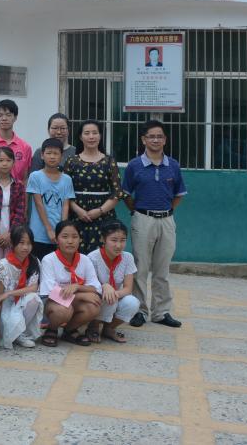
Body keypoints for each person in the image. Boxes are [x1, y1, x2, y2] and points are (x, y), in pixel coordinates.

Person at [122, 120, 187, 329]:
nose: (156, 140)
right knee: (140, 267)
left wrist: (168, 211)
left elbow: (179, 194)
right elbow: (126, 194)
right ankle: (139, 311)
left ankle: (161, 312)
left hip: (167, 220)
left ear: (165, 140)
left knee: (162, 268)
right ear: (144, 139)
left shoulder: (173, 165)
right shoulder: (134, 165)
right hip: (143, 219)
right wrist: (137, 211)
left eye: (160, 136)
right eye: (151, 136)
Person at [65, 119, 125, 254]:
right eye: (87, 133)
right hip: (77, 216)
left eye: (95, 133)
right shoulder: (72, 161)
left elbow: (117, 193)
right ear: (81, 137)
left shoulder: (109, 161)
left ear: (100, 135)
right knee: (76, 254)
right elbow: (65, 191)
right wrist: (78, 211)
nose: (91, 137)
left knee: (103, 255)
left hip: (104, 216)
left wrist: (100, 211)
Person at [38, 220, 102, 347]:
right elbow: (50, 291)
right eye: (65, 237)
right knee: (64, 309)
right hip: (52, 304)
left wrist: (77, 287)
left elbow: (96, 287)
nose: (70, 241)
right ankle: (51, 329)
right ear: (57, 240)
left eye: (74, 237)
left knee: (93, 307)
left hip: (71, 302)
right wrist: (81, 295)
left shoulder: (85, 260)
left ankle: (69, 330)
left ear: (80, 240)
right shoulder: (48, 260)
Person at [87, 221, 140, 344]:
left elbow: (128, 288)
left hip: (114, 295)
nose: (118, 245)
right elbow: (90, 285)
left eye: (122, 240)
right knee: (109, 298)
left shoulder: (128, 257)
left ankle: (109, 328)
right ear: (103, 239)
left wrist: (113, 293)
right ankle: (93, 326)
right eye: (114, 240)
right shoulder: (92, 257)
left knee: (132, 302)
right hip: (95, 297)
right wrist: (105, 287)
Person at [0, 225, 42, 349]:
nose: (25, 247)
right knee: (7, 324)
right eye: (21, 243)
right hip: (6, 305)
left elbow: (33, 288)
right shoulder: (3, 265)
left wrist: (10, 293)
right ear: (13, 244)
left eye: (29, 243)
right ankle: (10, 333)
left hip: (20, 301)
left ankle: (20, 334)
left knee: (34, 299)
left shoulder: (34, 261)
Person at [27, 138, 75, 260]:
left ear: (61, 156)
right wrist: (49, 229)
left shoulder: (67, 179)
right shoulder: (35, 176)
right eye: (48, 153)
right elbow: (39, 204)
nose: (52, 156)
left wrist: (62, 231)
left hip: (59, 236)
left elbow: (65, 205)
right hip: (38, 234)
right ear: (42, 155)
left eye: (56, 153)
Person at [0, 146, 27, 262]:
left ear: (13, 163)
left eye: (8, 160)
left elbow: (20, 212)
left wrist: (10, 234)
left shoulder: (19, 185)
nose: (4, 164)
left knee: (11, 265)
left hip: (12, 235)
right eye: (1, 160)